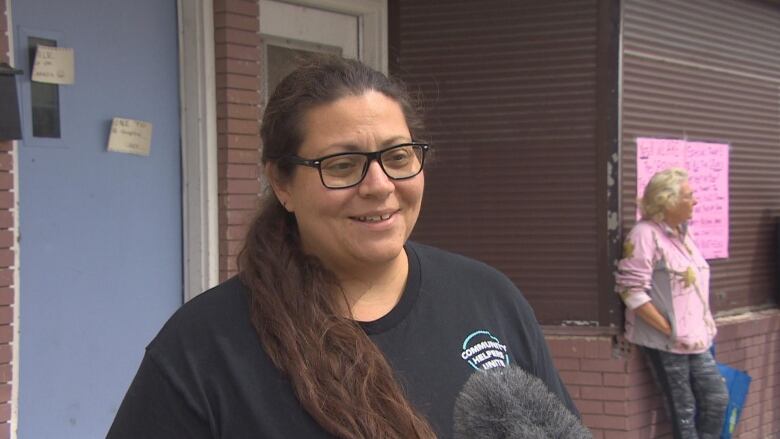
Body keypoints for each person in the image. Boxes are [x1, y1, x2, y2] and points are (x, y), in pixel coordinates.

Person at [107, 56, 576, 439]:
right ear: (282, 183)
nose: (379, 185)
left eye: (398, 157)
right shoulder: (205, 347)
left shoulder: (488, 298)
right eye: (343, 164)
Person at [616, 168, 728, 439]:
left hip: (696, 339)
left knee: (716, 398)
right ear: (667, 201)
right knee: (683, 411)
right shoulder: (644, 235)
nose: (696, 201)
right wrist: (671, 330)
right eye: (689, 196)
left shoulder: (681, 235)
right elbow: (631, 291)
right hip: (666, 340)